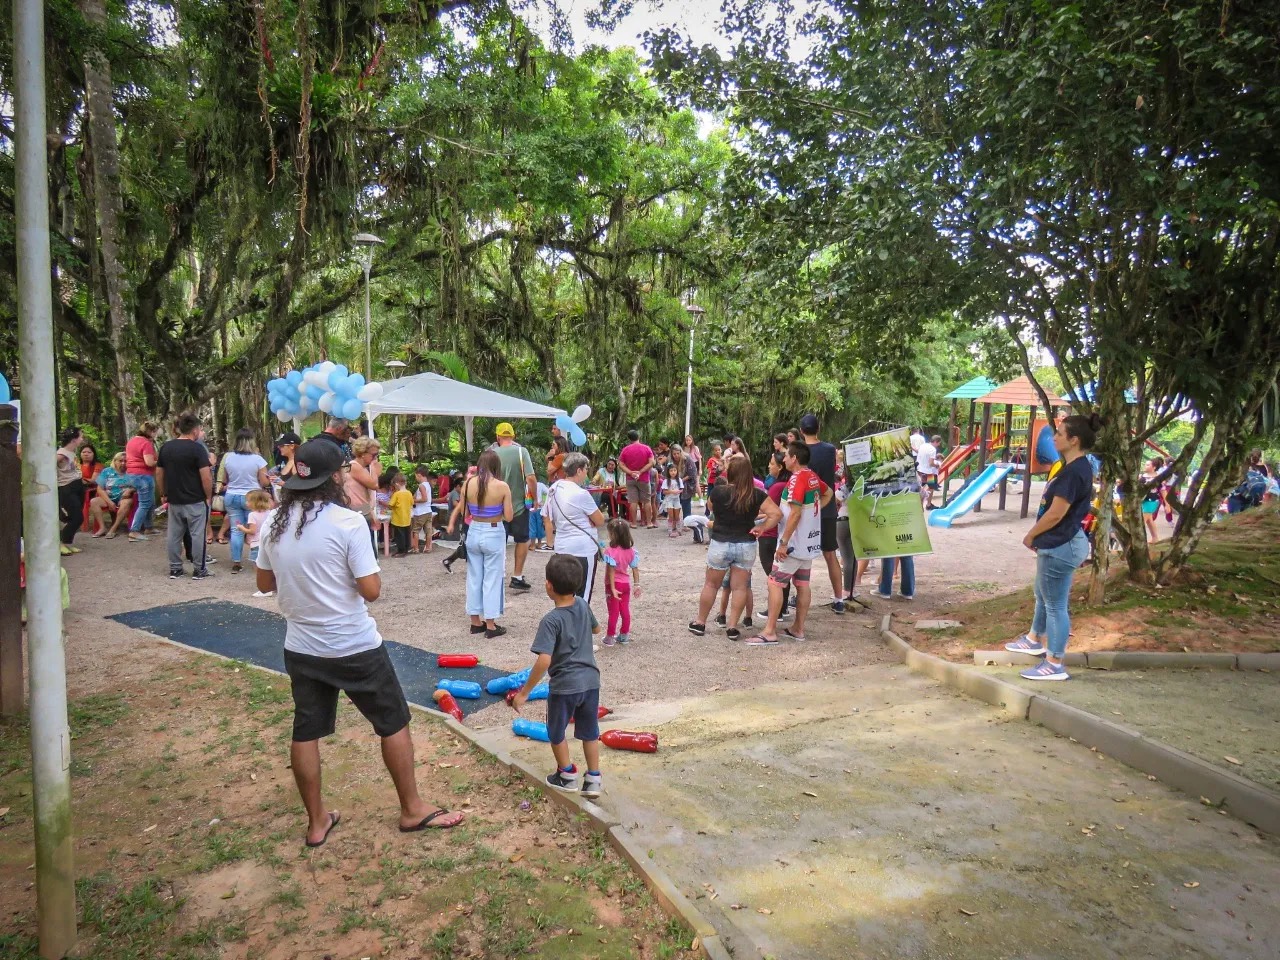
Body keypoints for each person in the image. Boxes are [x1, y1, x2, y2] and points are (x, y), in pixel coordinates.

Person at [255, 439, 464, 845]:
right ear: (335, 477)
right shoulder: (347, 522)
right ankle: (411, 809)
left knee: (306, 731)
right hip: (353, 644)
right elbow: (371, 590)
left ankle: (317, 822)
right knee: (393, 721)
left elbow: (264, 582)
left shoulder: (274, 522)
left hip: (301, 645)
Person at [1004, 414, 1106, 681]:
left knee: (1055, 605)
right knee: (1043, 593)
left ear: (1074, 440)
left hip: (1061, 544)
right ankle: (1034, 638)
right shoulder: (1074, 466)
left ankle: (1054, 662)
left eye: (1059, 434)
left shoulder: (1075, 471)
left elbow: (1056, 513)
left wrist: (1031, 535)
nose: (1054, 437)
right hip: (1060, 542)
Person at [509, 554, 604, 798]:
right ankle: (593, 779)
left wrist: (524, 692)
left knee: (556, 731)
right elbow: (597, 628)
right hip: (591, 682)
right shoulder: (582, 604)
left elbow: (544, 659)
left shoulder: (551, 621)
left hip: (565, 686)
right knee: (589, 731)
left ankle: (567, 774)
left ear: (548, 586)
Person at [691, 457, 781, 641]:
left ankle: (700, 622)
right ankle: (732, 627)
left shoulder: (718, 492)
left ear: (730, 472)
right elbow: (776, 514)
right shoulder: (756, 494)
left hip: (720, 543)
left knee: (711, 585)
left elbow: (710, 506)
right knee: (740, 588)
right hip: (745, 544)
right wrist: (762, 527)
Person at [751, 442, 832, 645]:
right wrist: (813, 511)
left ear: (794, 458)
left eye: (786, 455)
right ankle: (798, 628)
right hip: (809, 542)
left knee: (774, 582)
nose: (784, 458)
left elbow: (795, 513)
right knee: (802, 583)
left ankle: (769, 631)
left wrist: (784, 543)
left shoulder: (797, 479)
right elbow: (828, 492)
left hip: (794, 544)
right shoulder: (812, 476)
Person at [462, 450, 513, 638]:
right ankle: (491, 624)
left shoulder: (468, 483)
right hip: (493, 530)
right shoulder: (502, 486)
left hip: (474, 530)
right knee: (492, 577)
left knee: (474, 576)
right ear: (496, 465)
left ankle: (475, 622)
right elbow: (509, 516)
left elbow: (465, 513)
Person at [157, 413, 214, 580]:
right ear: (195, 430)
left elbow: (159, 473)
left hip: (174, 498)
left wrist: (163, 493)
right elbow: (206, 476)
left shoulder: (166, 447)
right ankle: (199, 569)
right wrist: (208, 496)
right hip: (195, 499)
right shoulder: (197, 449)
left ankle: (175, 568)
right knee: (198, 535)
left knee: (174, 535)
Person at [798, 414, 845, 613]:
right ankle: (839, 598)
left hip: (807, 509)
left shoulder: (800, 452)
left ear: (801, 431)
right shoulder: (829, 450)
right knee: (830, 554)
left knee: (801, 555)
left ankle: (799, 596)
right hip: (827, 508)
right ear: (818, 429)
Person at [546, 452, 607, 602]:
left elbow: (548, 517)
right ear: (579, 470)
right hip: (583, 549)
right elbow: (599, 520)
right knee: (582, 596)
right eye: (586, 469)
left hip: (561, 546)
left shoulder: (554, 488)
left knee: (563, 592)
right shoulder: (581, 494)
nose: (586, 473)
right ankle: (580, 623)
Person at [492, 422, 537, 593]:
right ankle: (517, 576)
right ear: (513, 436)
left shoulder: (491, 454)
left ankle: (496, 576)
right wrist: (534, 497)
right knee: (522, 539)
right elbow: (531, 478)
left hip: (496, 508)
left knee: (498, 541)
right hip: (518, 506)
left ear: (497, 437)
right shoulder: (521, 451)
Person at [219, 428, 270, 573]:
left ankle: (236, 561)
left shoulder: (228, 458)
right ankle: (258, 558)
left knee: (236, 529)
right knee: (258, 527)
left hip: (232, 495)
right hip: (252, 496)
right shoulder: (258, 459)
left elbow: (223, 479)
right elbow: (264, 482)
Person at [756, 453, 793, 621]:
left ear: (780, 467)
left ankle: (776, 610)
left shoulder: (777, 487)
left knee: (773, 575)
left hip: (770, 533)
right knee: (782, 573)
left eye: (771, 463)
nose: (769, 466)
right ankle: (783, 608)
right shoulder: (789, 485)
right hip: (782, 534)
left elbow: (765, 510)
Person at [601, 519, 641, 647]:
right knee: (625, 610)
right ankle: (624, 635)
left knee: (613, 611)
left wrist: (612, 588)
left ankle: (610, 636)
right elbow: (635, 568)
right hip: (626, 585)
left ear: (614, 535)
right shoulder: (631, 551)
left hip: (613, 585)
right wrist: (637, 585)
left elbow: (611, 571)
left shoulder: (610, 552)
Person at [345, 436, 382, 553]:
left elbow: (366, 495)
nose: (375, 458)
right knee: (366, 551)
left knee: (369, 550)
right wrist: (375, 470)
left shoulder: (361, 468)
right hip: (357, 512)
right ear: (362, 453)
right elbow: (374, 485)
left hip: (363, 510)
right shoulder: (354, 466)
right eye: (373, 455)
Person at [124, 420, 160, 541]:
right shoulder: (146, 443)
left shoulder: (132, 441)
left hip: (133, 474)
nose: (156, 435)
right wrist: (162, 461)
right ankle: (134, 530)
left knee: (150, 502)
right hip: (142, 475)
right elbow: (149, 462)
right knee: (145, 504)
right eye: (155, 432)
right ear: (151, 431)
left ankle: (149, 527)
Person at [89, 452, 137, 538]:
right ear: (115, 461)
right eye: (120, 461)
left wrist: (130, 490)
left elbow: (138, 486)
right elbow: (100, 489)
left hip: (123, 498)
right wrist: (109, 502)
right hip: (108, 497)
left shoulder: (132, 472)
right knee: (94, 501)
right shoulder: (107, 471)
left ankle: (113, 529)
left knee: (126, 503)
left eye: (125, 461)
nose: (123, 463)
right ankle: (102, 528)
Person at [55, 428, 86, 555]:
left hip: (77, 484)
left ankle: (67, 542)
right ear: (74, 439)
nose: (82, 439)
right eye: (80, 437)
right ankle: (61, 543)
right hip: (67, 487)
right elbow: (48, 464)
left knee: (75, 516)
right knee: (77, 517)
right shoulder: (61, 453)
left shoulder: (72, 452)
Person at [618, 429, 656, 529]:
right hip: (644, 478)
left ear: (629, 438)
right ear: (638, 436)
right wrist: (641, 472)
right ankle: (649, 523)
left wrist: (631, 472)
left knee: (633, 501)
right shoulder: (646, 448)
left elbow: (620, 464)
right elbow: (651, 462)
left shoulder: (625, 450)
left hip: (630, 479)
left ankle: (634, 523)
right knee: (647, 501)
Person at [388, 472, 414, 557]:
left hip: (398, 519)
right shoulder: (409, 493)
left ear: (396, 484)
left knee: (399, 536)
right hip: (407, 518)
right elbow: (412, 503)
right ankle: (406, 549)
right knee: (406, 534)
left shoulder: (397, 494)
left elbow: (391, 505)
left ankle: (401, 550)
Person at [672, 446, 700, 521]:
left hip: (687, 484)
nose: (676, 455)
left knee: (686, 503)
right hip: (674, 484)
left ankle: (687, 522)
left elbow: (692, 473)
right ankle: (675, 522)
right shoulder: (671, 461)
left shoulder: (687, 459)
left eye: (678, 453)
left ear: (681, 453)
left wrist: (681, 480)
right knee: (675, 503)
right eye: (674, 454)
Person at [411, 465, 434, 554]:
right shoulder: (428, 484)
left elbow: (424, 499)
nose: (416, 478)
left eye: (415, 476)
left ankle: (416, 548)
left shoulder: (421, 486)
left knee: (416, 530)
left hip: (420, 512)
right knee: (428, 531)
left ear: (419, 475)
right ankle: (428, 547)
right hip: (428, 511)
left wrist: (413, 500)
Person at [659, 462, 684, 537]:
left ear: (677, 471)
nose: (673, 472)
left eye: (674, 470)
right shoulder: (666, 481)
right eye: (671, 471)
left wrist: (679, 491)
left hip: (676, 499)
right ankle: (670, 531)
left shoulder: (679, 480)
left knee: (677, 516)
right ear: (668, 472)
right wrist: (672, 491)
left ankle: (679, 530)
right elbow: (664, 491)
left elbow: (682, 489)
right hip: (669, 500)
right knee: (671, 516)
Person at [917, 434, 941, 509]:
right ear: (936, 442)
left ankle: (920, 505)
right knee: (931, 488)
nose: (938, 445)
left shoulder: (923, 445)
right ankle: (928, 504)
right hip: (928, 472)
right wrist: (937, 465)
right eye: (939, 443)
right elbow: (931, 463)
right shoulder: (932, 449)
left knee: (922, 488)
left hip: (919, 470)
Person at [529, 477, 549, 551]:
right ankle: (539, 544)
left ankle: (533, 545)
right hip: (540, 509)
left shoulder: (528, 485)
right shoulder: (541, 485)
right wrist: (543, 502)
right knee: (540, 526)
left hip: (531, 509)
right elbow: (548, 492)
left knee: (532, 527)